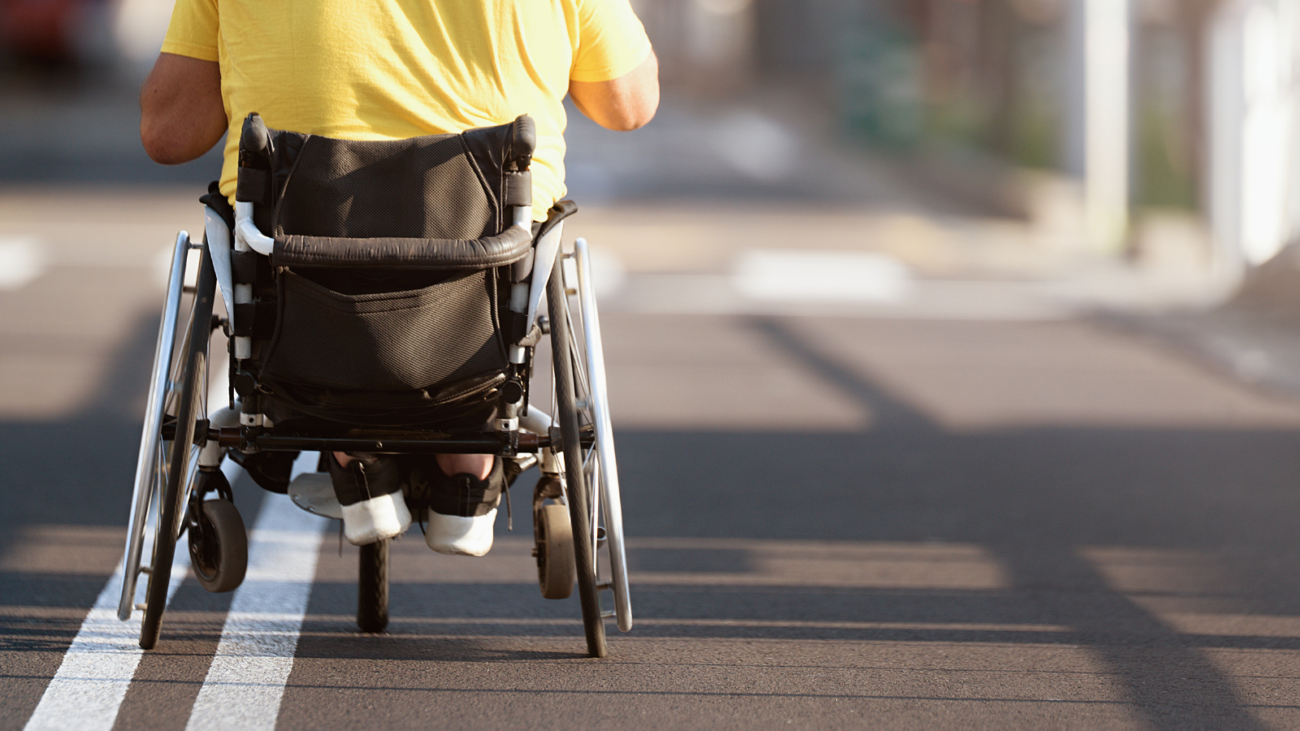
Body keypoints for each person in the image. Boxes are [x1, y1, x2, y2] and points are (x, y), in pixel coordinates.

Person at [139, 0, 658, 555]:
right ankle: (466, 468)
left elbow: (168, 133)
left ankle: (355, 454)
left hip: (301, 286)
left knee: (297, 251)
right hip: (486, 274)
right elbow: (628, 104)